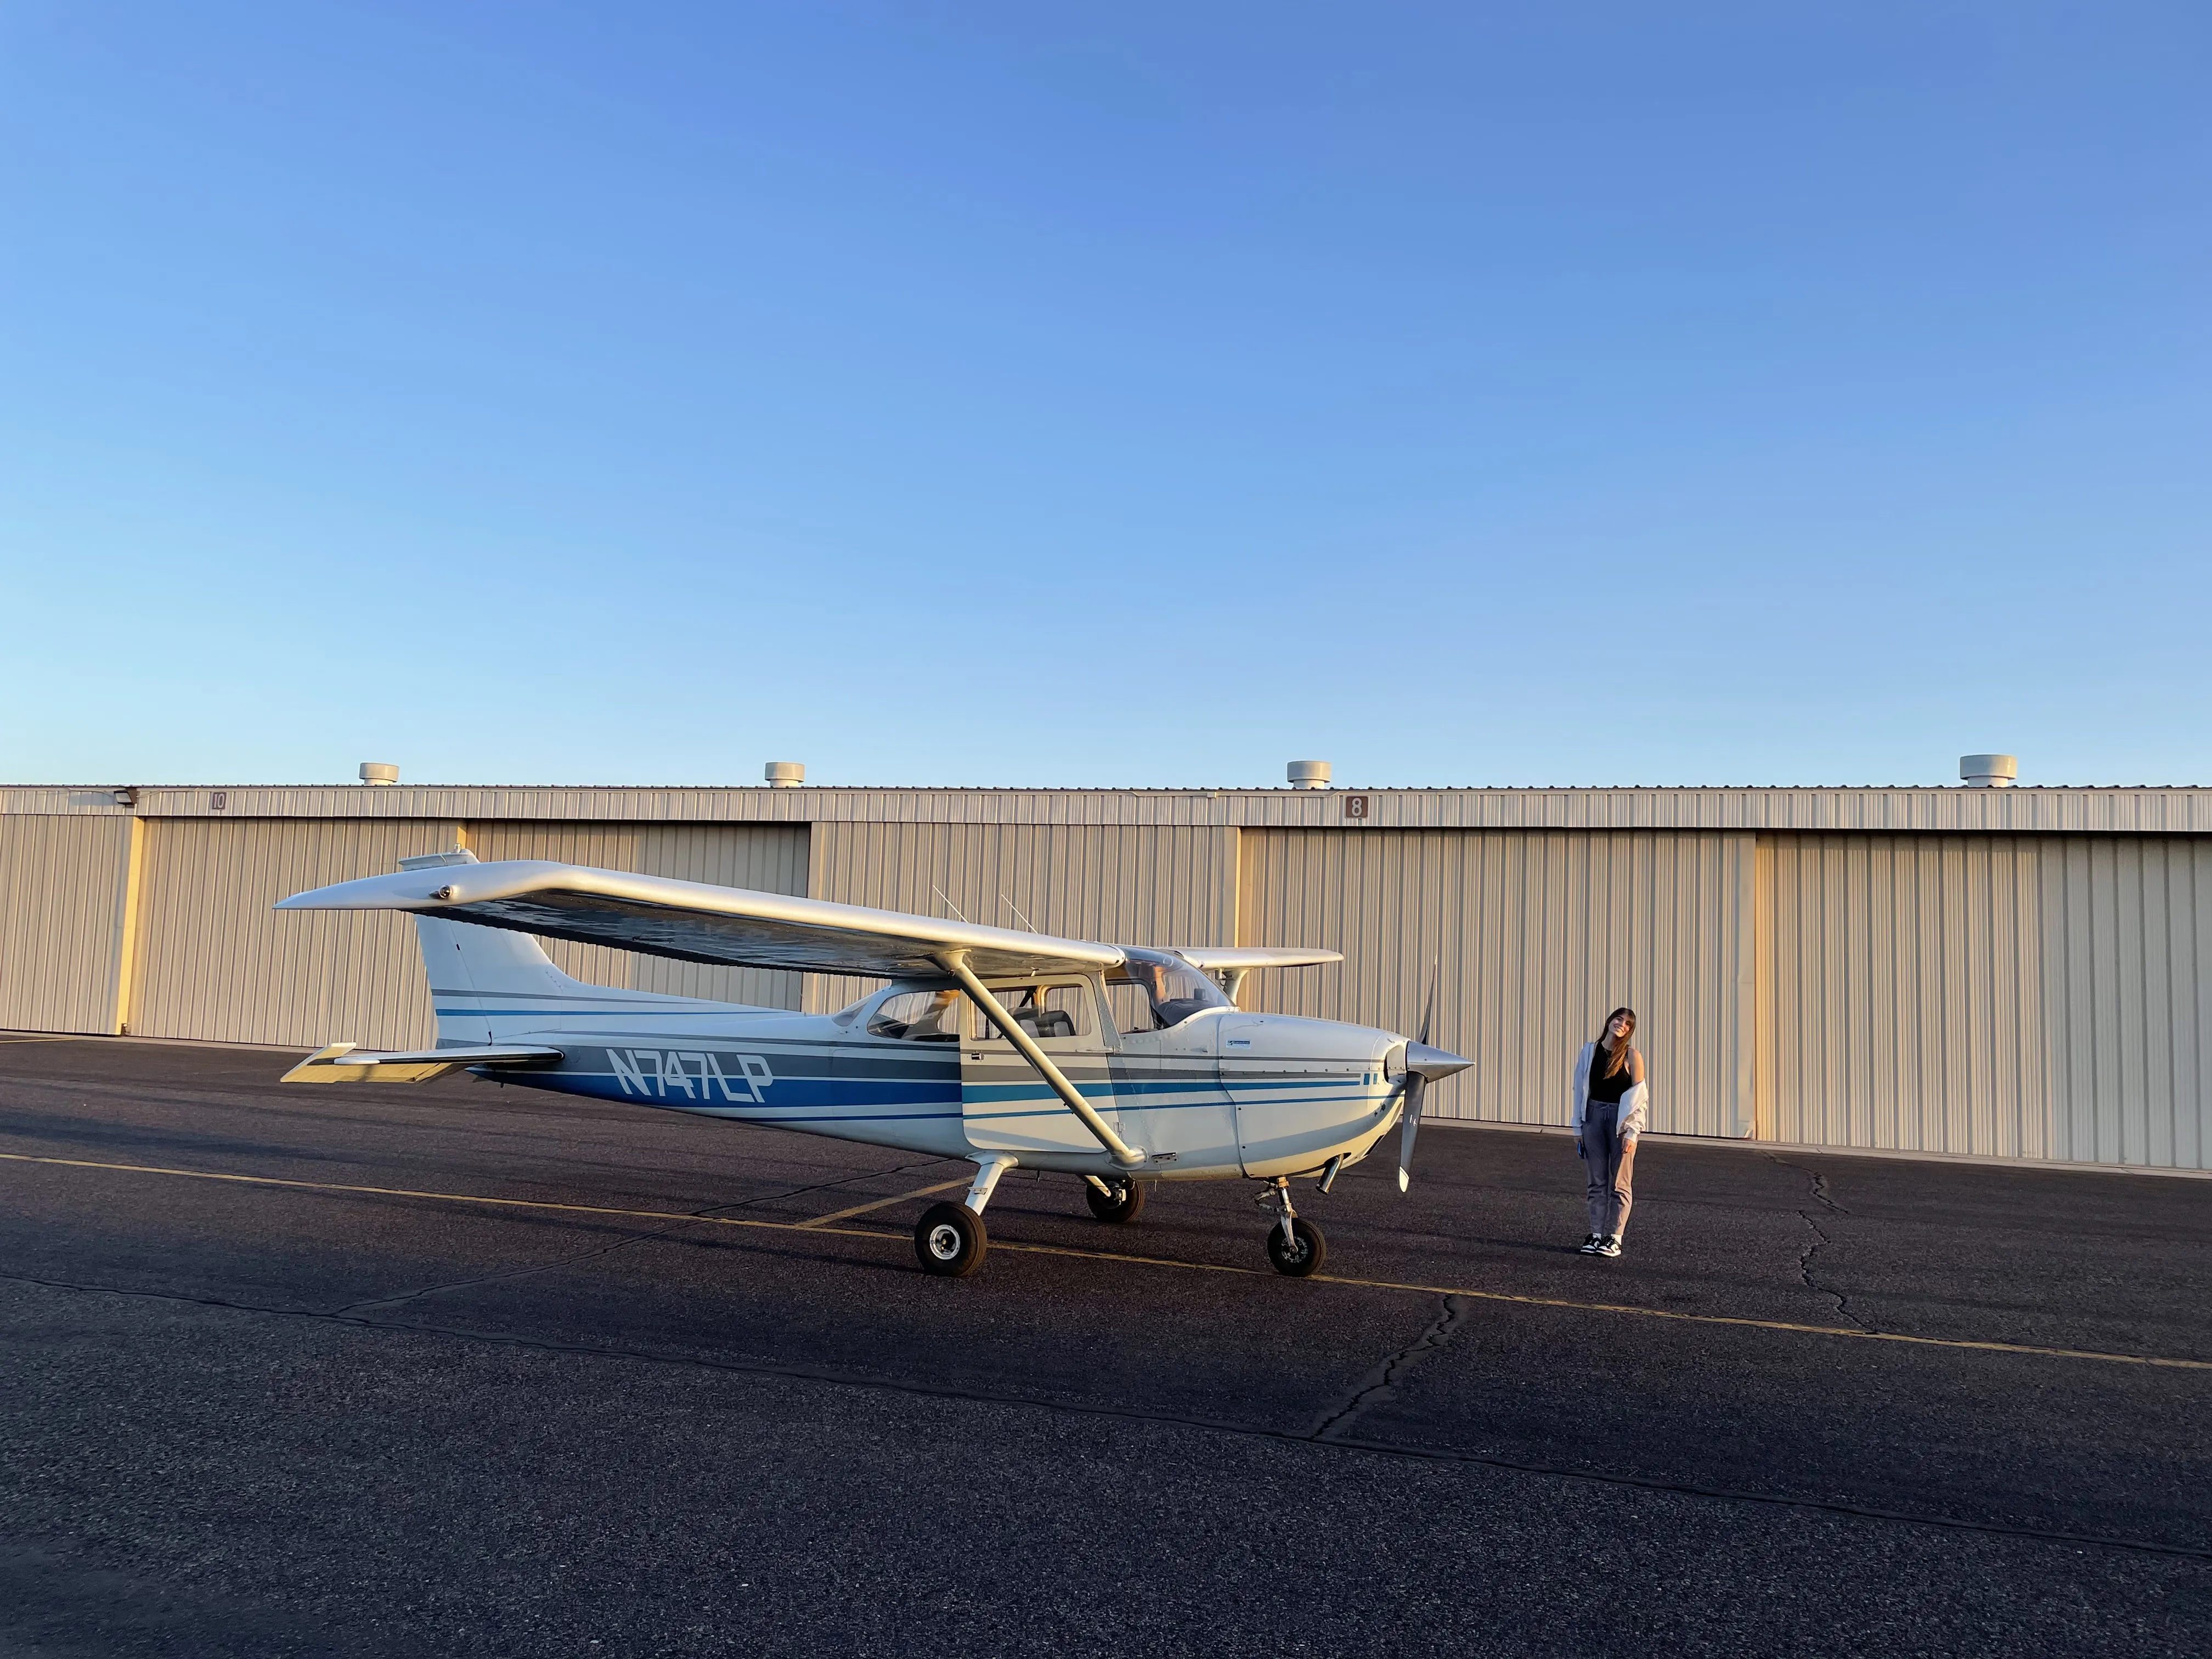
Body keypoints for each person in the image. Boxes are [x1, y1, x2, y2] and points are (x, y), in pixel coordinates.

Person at [1571, 1007, 1647, 1258]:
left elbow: (1640, 1099)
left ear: (1630, 1031)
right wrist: (1578, 1127)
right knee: (1597, 1181)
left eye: (1628, 1024)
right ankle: (1595, 1235)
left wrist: (1633, 1133)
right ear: (1609, 1020)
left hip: (1620, 1123)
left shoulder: (1632, 1056)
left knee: (1620, 1182)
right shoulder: (1589, 1051)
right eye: (1619, 1019)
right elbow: (1580, 1091)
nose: (1621, 1025)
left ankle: (1614, 1238)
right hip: (1593, 1118)